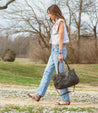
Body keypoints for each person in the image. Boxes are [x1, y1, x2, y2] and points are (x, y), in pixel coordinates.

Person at [27, 4, 70, 105]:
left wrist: (60, 53)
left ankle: (66, 99)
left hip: (58, 50)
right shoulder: (56, 23)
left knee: (61, 75)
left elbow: (60, 39)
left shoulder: (61, 22)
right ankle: (38, 95)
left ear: (54, 13)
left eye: (49, 14)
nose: (49, 16)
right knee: (47, 72)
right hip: (54, 50)